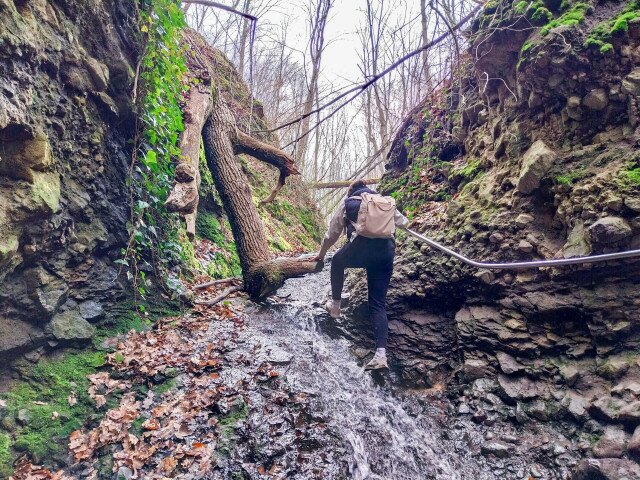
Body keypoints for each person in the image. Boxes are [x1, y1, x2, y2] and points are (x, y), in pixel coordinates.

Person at [313, 179, 409, 370]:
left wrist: (321, 256)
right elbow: (403, 223)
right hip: (385, 253)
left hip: (361, 249)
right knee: (378, 304)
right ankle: (381, 355)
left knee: (337, 262)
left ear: (351, 191)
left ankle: (336, 306)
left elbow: (331, 235)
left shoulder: (349, 202)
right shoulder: (384, 202)